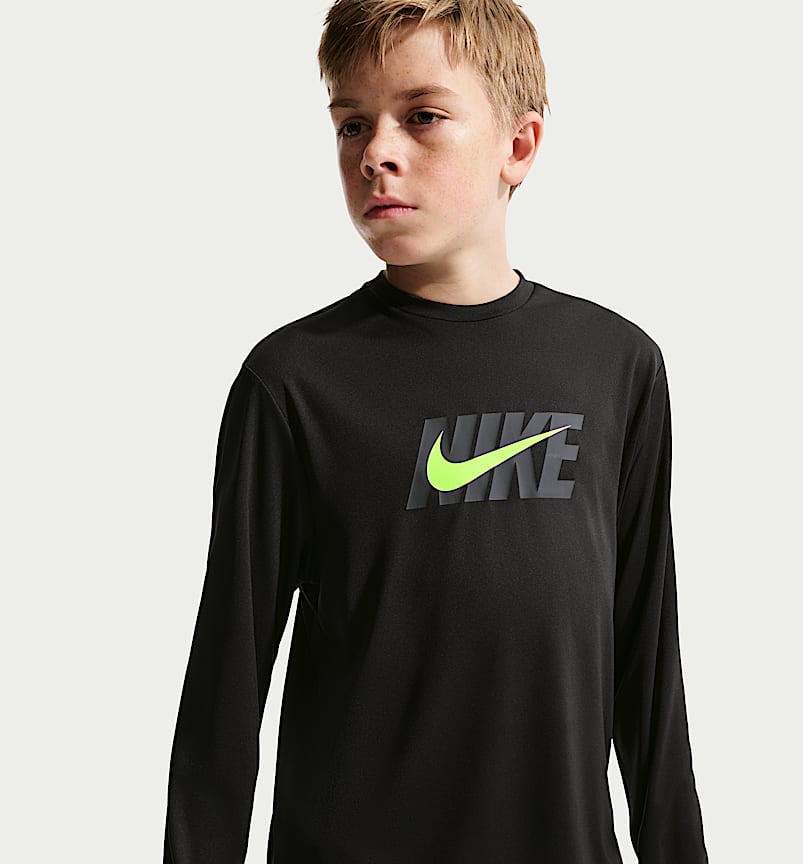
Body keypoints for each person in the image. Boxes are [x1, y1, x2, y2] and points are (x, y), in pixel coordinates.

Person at [162, 1, 710, 862]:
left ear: (518, 146)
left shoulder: (615, 365)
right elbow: (225, 693)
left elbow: (648, 667)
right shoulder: (294, 383)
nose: (375, 153)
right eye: (352, 124)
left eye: (421, 117)